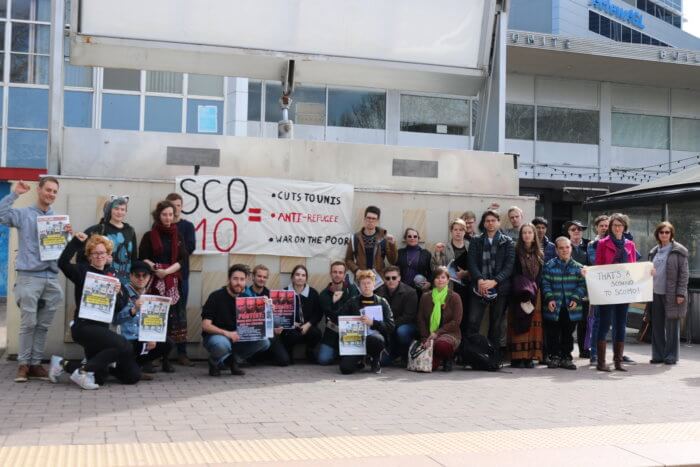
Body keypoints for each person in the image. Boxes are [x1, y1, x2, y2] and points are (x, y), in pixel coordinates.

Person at [0, 177, 67, 383]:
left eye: (55, 191)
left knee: (43, 325)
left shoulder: (57, 220)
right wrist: (15, 193)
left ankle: (36, 364)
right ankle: (23, 365)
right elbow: (2, 215)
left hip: (51, 277)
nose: (51, 194)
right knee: (28, 323)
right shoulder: (23, 214)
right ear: (39, 190)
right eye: (48, 190)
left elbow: (59, 250)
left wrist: (69, 238)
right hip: (29, 277)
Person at [51, 233, 139, 389]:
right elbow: (63, 263)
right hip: (84, 327)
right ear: (90, 256)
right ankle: (83, 371)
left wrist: (120, 293)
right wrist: (76, 242)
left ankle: (62, 364)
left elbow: (118, 308)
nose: (99, 256)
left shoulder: (112, 277)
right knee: (124, 345)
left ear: (108, 255)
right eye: (95, 253)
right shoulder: (82, 271)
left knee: (100, 379)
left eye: (102, 253)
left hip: (101, 329)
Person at [139, 200, 191, 367]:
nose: (168, 218)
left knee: (170, 321)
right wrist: (156, 268)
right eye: (164, 214)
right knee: (154, 318)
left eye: (170, 214)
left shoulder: (178, 235)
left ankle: (167, 359)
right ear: (158, 215)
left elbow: (182, 259)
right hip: (154, 282)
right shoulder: (149, 235)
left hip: (172, 282)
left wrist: (166, 272)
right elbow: (142, 257)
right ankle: (151, 357)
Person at [201, 264, 271, 376]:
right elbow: (205, 326)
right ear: (229, 279)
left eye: (242, 279)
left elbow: (260, 326)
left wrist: (267, 309)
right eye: (235, 279)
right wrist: (227, 333)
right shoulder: (215, 296)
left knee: (264, 342)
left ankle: (233, 361)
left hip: (238, 338)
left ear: (246, 281)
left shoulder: (247, 299)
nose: (239, 282)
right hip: (218, 336)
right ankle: (214, 362)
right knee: (222, 345)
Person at [592, 213, 642, 372]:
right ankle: (601, 362)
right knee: (604, 324)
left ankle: (618, 361)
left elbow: (634, 268)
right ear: (611, 227)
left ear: (624, 227)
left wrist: (647, 273)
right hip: (607, 290)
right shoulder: (602, 243)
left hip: (623, 290)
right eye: (615, 225)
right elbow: (598, 266)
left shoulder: (630, 245)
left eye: (620, 225)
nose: (617, 228)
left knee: (621, 325)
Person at [113, 260, 174, 376]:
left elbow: (152, 322)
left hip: (140, 341)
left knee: (168, 343)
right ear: (130, 276)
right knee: (131, 377)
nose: (141, 278)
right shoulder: (121, 293)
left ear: (149, 277)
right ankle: (118, 369)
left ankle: (136, 366)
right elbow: (115, 320)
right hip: (125, 342)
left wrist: (152, 336)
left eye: (144, 275)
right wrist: (134, 310)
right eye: (137, 275)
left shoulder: (149, 296)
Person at [467, 210, 515, 348]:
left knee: (496, 323)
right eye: (487, 221)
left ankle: (493, 357)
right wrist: (480, 280)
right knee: (473, 321)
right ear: (484, 223)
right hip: (479, 287)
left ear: (499, 222)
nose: (490, 223)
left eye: (493, 220)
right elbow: (471, 263)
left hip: (500, 288)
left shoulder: (508, 242)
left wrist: (494, 281)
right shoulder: (476, 240)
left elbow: (509, 265)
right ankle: (472, 353)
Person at [336, 269, 394, 375]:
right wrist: (337, 301)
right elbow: (338, 318)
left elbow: (390, 326)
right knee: (345, 369)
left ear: (374, 284)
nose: (366, 286)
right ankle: (360, 360)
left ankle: (375, 360)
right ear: (359, 286)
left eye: (369, 283)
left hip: (374, 340)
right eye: (363, 283)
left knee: (376, 339)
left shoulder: (382, 302)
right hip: (356, 341)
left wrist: (373, 323)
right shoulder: (352, 301)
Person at [541, 237, 586, 370]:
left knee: (568, 334)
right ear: (556, 250)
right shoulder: (549, 265)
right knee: (553, 333)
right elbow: (545, 283)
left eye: (567, 247)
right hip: (553, 306)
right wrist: (549, 298)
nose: (565, 250)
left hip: (571, 307)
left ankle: (566, 357)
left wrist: (575, 298)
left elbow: (582, 285)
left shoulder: (579, 267)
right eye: (561, 248)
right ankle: (554, 357)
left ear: (571, 248)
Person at [648, 222, 689, 365]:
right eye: (661, 232)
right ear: (657, 234)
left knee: (672, 326)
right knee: (657, 326)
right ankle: (658, 355)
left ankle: (671, 356)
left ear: (671, 234)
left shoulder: (679, 250)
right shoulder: (653, 251)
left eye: (667, 232)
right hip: (655, 293)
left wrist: (681, 294)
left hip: (672, 294)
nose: (664, 234)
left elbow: (684, 274)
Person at [164, 193, 196, 367]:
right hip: (163, 277)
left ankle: (182, 353)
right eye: (172, 205)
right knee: (163, 313)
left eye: (178, 205)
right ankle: (163, 354)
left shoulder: (187, 226)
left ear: (182, 206)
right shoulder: (159, 225)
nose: (175, 208)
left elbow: (189, 248)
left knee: (180, 313)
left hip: (181, 276)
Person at [432, 218, 471, 354]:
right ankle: (449, 350)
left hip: (466, 287)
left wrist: (465, 273)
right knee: (449, 318)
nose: (458, 233)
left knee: (465, 319)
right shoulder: (445, 247)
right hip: (450, 289)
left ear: (465, 231)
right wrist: (437, 254)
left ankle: (463, 351)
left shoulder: (470, 246)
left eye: (461, 230)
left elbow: (476, 267)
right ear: (451, 231)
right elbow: (436, 270)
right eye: (455, 230)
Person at [507, 223, 543, 369]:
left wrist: (534, 288)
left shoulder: (540, 254)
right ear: (521, 236)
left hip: (536, 294)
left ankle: (529, 358)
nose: (527, 235)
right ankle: (517, 358)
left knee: (533, 326)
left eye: (530, 232)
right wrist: (524, 290)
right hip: (519, 293)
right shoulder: (515, 252)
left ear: (534, 235)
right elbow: (514, 273)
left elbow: (540, 275)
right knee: (519, 322)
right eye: (524, 233)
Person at [79, 197, 138, 284]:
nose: (119, 212)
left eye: (122, 209)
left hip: (126, 279)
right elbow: (85, 254)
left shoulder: (130, 230)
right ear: (110, 210)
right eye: (116, 208)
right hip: (103, 277)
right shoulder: (100, 229)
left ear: (126, 212)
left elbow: (134, 257)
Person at [271, 265, 322, 365]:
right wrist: (292, 323)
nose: (300, 277)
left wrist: (307, 325)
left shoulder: (313, 293)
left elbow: (318, 313)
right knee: (291, 335)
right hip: (291, 327)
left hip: (307, 326)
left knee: (317, 333)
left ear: (306, 278)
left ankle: (310, 351)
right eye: (297, 274)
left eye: (303, 275)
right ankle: (289, 352)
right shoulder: (284, 292)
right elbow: (280, 314)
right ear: (292, 277)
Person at [417, 266, 463, 371]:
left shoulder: (455, 297)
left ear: (448, 280)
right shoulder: (425, 297)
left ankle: (448, 358)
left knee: (441, 345)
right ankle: (437, 358)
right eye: (437, 277)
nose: (440, 280)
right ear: (433, 280)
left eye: (443, 277)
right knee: (430, 367)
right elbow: (421, 319)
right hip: (429, 335)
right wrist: (424, 338)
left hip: (449, 334)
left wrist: (437, 333)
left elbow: (456, 322)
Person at [317, 261, 360, 365]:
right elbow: (332, 316)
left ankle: (345, 353)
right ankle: (337, 352)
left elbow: (354, 312)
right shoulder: (324, 294)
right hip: (332, 332)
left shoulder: (352, 289)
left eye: (340, 272)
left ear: (344, 275)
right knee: (323, 360)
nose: (337, 275)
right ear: (330, 273)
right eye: (335, 272)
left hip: (350, 332)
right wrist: (334, 302)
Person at [375, 266, 418, 365]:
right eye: (387, 278)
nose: (391, 281)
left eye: (394, 278)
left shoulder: (410, 292)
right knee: (382, 362)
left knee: (401, 331)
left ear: (399, 278)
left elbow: (408, 316)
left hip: (407, 326)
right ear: (384, 279)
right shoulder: (379, 292)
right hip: (388, 328)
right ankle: (393, 353)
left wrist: (388, 325)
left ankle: (406, 354)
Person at [564, 220, 591, 359]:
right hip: (568, 289)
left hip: (585, 290)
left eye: (579, 229)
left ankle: (584, 350)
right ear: (568, 231)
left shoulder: (589, 245)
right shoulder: (564, 246)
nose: (576, 231)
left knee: (584, 322)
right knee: (569, 323)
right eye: (573, 229)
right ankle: (566, 351)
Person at [345, 206, 397, 277]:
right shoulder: (355, 238)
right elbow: (348, 259)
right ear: (364, 219)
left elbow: (392, 261)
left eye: (374, 218)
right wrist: (356, 270)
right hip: (361, 279)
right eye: (368, 218)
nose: (371, 221)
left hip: (379, 280)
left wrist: (392, 245)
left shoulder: (384, 238)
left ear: (377, 221)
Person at [586, 214, 609, 364]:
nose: (604, 228)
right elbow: (596, 262)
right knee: (598, 321)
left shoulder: (620, 242)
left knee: (614, 322)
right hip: (599, 287)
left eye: (607, 225)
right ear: (596, 227)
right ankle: (594, 354)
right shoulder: (592, 244)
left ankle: (617, 355)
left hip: (615, 287)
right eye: (601, 226)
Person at [396, 228, 432, 293]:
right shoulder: (399, 252)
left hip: (419, 290)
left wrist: (429, 283)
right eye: (409, 236)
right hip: (402, 289)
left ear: (418, 238)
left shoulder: (426, 253)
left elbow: (431, 271)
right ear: (405, 238)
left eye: (415, 236)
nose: (412, 238)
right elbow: (395, 270)